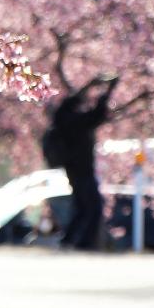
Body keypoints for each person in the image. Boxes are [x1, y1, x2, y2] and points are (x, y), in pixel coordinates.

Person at [50, 76, 116, 250]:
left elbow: (89, 113)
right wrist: (107, 92)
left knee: (83, 207)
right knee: (92, 207)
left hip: (74, 170)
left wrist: (89, 86)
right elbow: (97, 115)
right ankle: (83, 243)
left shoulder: (63, 119)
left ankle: (72, 240)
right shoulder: (76, 122)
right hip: (82, 170)